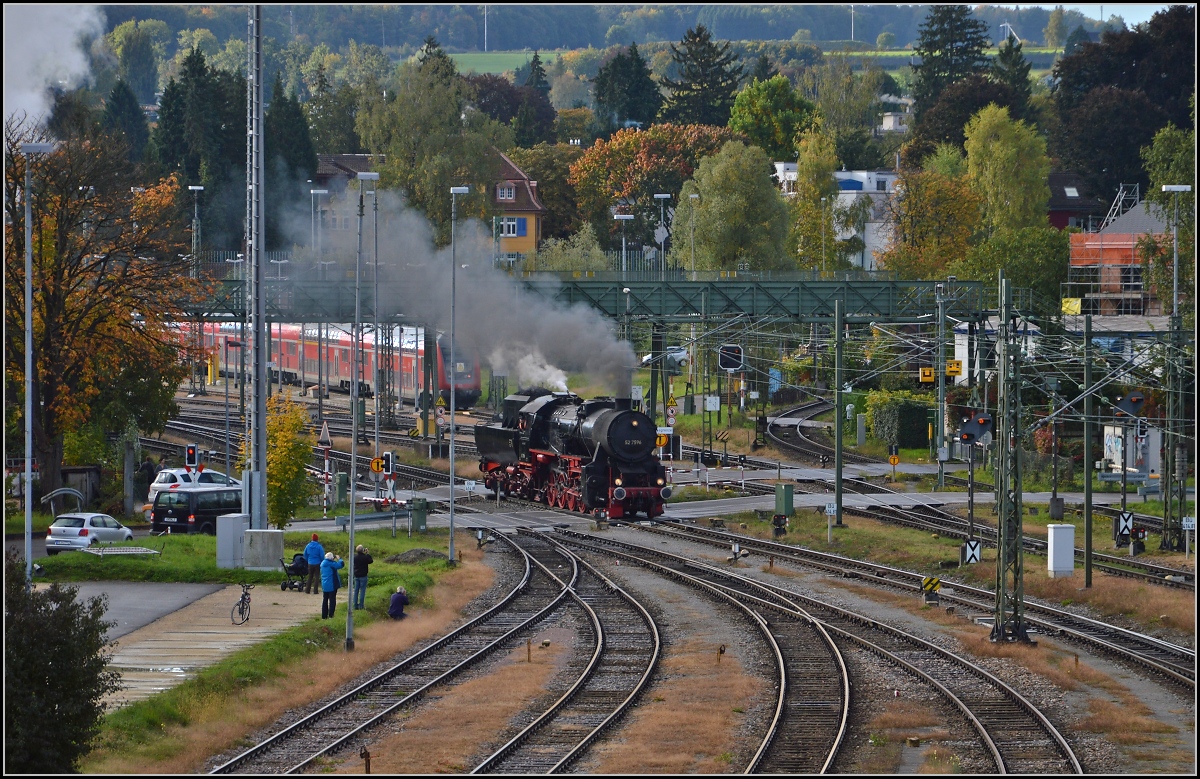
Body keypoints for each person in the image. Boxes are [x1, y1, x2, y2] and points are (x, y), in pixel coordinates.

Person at [320, 552, 344, 619]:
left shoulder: (322, 563)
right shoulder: (330, 564)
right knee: (332, 600)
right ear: (331, 558)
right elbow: (340, 565)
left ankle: (324, 616)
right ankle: (331, 615)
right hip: (332, 584)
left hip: (324, 584)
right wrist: (340, 559)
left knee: (325, 600)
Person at [352, 544, 373, 610]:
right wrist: (367, 553)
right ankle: (361, 605)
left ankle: (355, 605)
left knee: (356, 590)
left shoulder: (354, 557)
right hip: (363, 575)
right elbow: (371, 561)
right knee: (362, 591)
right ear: (362, 550)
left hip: (356, 575)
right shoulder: (365, 557)